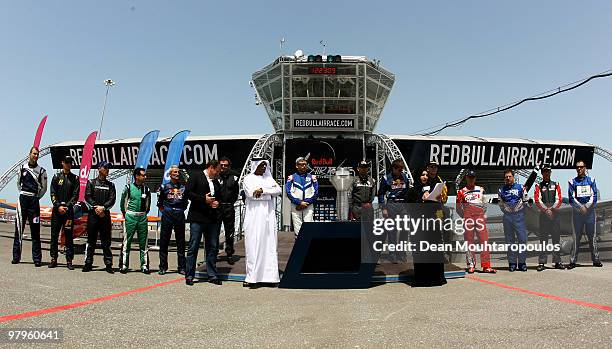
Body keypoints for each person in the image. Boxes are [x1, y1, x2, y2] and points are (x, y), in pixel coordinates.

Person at [242, 158, 282, 288]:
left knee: (269, 244)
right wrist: (268, 192)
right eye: (261, 165)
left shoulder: (268, 178)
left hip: (268, 215)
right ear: (255, 166)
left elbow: (278, 190)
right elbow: (251, 194)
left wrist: (263, 191)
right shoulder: (248, 179)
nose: (264, 168)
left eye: (265, 166)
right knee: (254, 244)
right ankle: (253, 277)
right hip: (254, 215)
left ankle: (269, 277)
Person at [406, 168, 447, 287]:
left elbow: (439, 209)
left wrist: (440, 218)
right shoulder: (412, 191)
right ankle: (422, 279)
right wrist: (421, 200)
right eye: (422, 175)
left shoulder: (435, 189)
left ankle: (437, 278)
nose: (425, 177)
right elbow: (409, 208)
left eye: (426, 175)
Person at [185, 160, 222, 286]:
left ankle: (212, 274)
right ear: (211, 168)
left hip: (212, 219)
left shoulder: (216, 181)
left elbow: (219, 197)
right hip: (197, 217)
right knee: (193, 246)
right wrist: (203, 199)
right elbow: (188, 193)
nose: (218, 173)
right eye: (217, 171)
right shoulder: (196, 176)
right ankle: (189, 275)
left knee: (212, 247)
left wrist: (217, 203)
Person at [12, 146, 48, 266]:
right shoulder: (22, 168)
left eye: (37, 154)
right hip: (23, 200)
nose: (35, 156)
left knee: (35, 231)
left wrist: (36, 197)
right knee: (18, 229)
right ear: (29, 154)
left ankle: (37, 259)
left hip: (34, 201)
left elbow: (44, 188)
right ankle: (16, 257)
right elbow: (18, 183)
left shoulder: (42, 171)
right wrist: (24, 194)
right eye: (34, 153)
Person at [456, 170, 496, 274]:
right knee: (469, 243)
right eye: (469, 177)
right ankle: (471, 265)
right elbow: (458, 208)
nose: (471, 179)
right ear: (466, 178)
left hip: (479, 218)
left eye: (473, 177)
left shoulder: (481, 189)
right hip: (468, 218)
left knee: (484, 241)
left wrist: (480, 215)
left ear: (475, 178)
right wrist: (465, 215)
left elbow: (485, 205)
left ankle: (486, 266)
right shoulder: (461, 192)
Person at [567, 160, 602, 269]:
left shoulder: (592, 180)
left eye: (581, 167)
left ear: (585, 168)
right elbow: (571, 198)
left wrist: (586, 206)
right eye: (577, 167)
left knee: (592, 237)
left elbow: (594, 195)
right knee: (576, 238)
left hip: (590, 213)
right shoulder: (572, 182)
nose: (579, 169)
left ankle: (596, 260)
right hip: (577, 214)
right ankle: (572, 261)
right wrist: (580, 207)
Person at [83, 161, 116, 273]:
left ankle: (108, 264)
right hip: (93, 215)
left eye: (108, 168)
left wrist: (103, 208)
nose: (108, 170)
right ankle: (88, 263)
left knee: (106, 242)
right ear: (99, 169)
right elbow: (87, 197)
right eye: (106, 167)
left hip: (105, 216)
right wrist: (96, 208)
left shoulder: (111, 185)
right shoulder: (91, 183)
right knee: (91, 241)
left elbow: (112, 199)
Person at [119, 167, 152, 274]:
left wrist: (143, 214)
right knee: (127, 242)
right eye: (143, 175)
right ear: (137, 176)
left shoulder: (146, 190)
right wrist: (127, 214)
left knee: (144, 243)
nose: (145, 177)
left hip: (142, 217)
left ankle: (144, 265)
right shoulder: (128, 188)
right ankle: (124, 265)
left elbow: (148, 205)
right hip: (130, 217)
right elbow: (123, 203)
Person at [49, 155, 79, 269]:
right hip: (57, 212)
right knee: (54, 235)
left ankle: (69, 260)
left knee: (68, 236)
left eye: (70, 162)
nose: (68, 164)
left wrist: (66, 206)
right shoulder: (56, 177)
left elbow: (75, 196)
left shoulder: (75, 179)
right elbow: (52, 193)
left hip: (68, 213)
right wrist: (58, 206)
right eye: (66, 162)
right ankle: (53, 259)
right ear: (62, 163)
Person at [378, 159, 411, 263]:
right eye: (399, 170)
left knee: (405, 229)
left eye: (402, 170)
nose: (401, 172)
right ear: (393, 168)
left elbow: (407, 191)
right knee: (392, 230)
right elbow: (381, 194)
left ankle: (402, 253)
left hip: (403, 205)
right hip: (391, 204)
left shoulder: (404, 177)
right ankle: (392, 254)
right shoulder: (386, 178)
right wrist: (383, 208)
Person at [157, 165, 188, 275]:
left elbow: (185, 203)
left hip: (179, 213)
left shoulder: (183, 187)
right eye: (174, 172)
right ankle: (163, 267)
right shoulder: (164, 187)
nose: (177, 174)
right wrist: (166, 211)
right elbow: (160, 203)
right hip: (168, 213)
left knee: (181, 241)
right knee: (164, 241)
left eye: (178, 172)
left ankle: (182, 267)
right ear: (170, 174)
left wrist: (178, 210)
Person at [534, 164, 564, 271]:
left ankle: (557, 261)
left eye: (548, 171)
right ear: (542, 173)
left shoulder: (556, 184)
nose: (546, 173)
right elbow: (537, 200)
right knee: (543, 240)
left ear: (550, 172)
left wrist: (552, 209)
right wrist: (546, 210)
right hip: (544, 216)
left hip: (555, 216)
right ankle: (542, 262)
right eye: (544, 171)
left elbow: (559, 199)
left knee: (556, 239)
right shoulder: (538, 185)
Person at [498, 169, 528, 272]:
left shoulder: (521, 188)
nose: (508, 178)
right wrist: (507, 211)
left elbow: (525, 201)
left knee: (522, 240)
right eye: (506, 177)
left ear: (513, 177)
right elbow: (501, 205)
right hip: (507, 217)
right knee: (509, 241)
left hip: (519, 216)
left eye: (509, 176)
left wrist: (519, 211)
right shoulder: (501, 190)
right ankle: (512, 263)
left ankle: (522, 263)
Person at [285, 157, 319, 236]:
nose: (304, 166)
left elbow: (316, 192)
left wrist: (306, 203)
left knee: (309, 226)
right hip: (296, 205)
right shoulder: (291, 177)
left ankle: (309, 246)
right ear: (297, 166)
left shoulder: (312, 177)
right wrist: (299, 202)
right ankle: (299, 245)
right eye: (301, 164)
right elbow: (288, 192)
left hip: (308, 205)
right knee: (298, 229)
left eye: (305, 164)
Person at [216, 157, 239, 264]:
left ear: (229, 166)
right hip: (217, 208)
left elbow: (236, 192)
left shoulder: (234, 177)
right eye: (222, 165)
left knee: (230, 231)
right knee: (214, 231)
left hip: (229, 207)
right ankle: (214, 253)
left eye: (226, 165)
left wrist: (230, 203)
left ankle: (229, 253)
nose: (223, 167)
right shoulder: (215, 176)